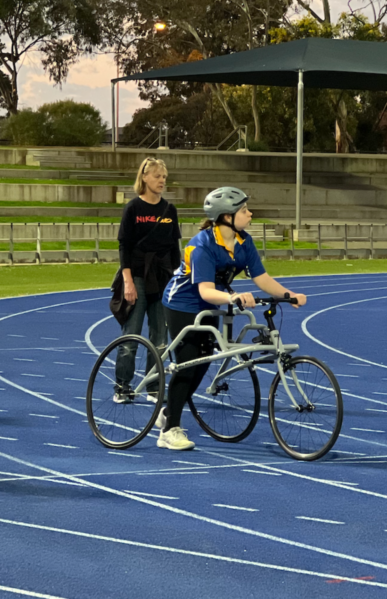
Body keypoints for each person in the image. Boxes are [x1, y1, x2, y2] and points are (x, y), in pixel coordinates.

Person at [157, 187, 307, 451]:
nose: (250, 214)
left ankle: (171, 410)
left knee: (204, 362)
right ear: (226, 216)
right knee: (189, 362)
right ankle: (169, 431)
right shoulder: (202, 245)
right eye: (244, 211)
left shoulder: (243, 242)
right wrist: (233, 297)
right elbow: (204, 290)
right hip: (183, 304)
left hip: (211, 304)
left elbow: (261, 278)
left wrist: (289, 294)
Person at [114, 157, 181, 404]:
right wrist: (128, 282)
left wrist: (177, 279)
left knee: (161, 339)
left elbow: (175, 248)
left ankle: (153, 387)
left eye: (164, 176)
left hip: (163, 278)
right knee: (131, 336)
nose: (162, 180)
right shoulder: (133, 208)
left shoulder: (169, 210)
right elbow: (124, 247)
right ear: (144, 177)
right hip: (138, 277)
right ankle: (122, 386)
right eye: (157, 176)